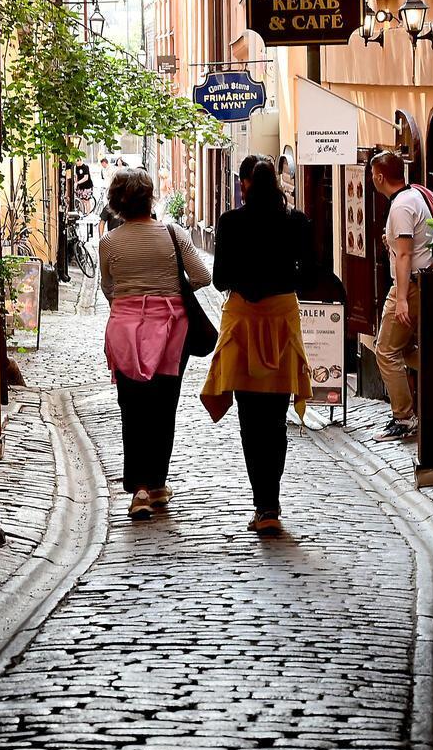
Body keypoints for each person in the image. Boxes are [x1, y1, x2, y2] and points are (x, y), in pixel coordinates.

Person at [201, 158, 315, 535]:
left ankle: (262, 504)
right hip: (281, 320)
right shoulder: (296, 222)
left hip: (244, 322)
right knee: (276, 419)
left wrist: (249, 281)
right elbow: (309, 276)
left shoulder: (231, 222)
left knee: (250, 420)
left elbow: (220, 280)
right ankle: (271, 503)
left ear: (246, 185)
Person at [98, 167, 211, 520]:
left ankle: (140, 489)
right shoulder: (173, 234)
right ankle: (158, 483)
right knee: (164, 405)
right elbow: (203, 276)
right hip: (171, 329)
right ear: (150, 198)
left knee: (132, 406)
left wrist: (130, 301)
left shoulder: (109, 242)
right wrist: (171, 292)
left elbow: (108, 287)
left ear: (117, 202)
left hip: (125, 330)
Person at [368, 149, 433, 442]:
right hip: (416, 282)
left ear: (380, 177)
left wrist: (403, 298)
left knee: (385, 351)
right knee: (405, 349)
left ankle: (404, 417)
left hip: (409, 286)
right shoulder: (412, 196)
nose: (372, 179)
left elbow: (406, 254)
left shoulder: (401, 206)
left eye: (373, 174)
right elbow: (406, 245)